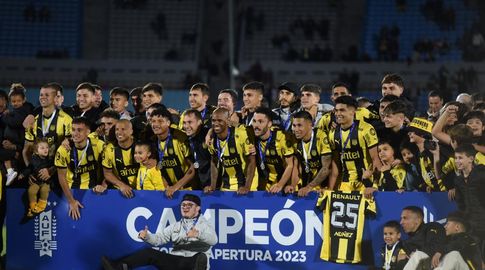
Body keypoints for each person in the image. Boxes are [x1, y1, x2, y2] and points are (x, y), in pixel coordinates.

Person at [101, 194, 217, 270]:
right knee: (148, 252)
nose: (185, 207)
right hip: (174, 263)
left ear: (198, 209)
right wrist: (147, 237)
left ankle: (195, 265)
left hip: (192, 263)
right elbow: (159, 239)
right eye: (183, 205)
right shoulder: (175, 226)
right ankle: (119, 267)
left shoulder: (204, 224)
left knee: (198, 257)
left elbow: (214, 240)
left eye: (190, 205)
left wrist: (198, 234)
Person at [328, 96, 382, 192]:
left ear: (352, 112)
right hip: (345, 184)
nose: (338, 114)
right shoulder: (332, 133)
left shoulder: (366, 129)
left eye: (342, 110)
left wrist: (375, 185)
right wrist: (331, 189)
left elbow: (375, 158)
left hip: (365, 183)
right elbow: (336, 164)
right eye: (336, 110)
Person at [55, 117, 105, 220]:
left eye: (79, 130)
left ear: (88, 132)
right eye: (73, 129)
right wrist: (71, 201)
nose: (75, 133)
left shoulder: (99, 145)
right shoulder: (63, 150)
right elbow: (61, 177)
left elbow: (110, 169)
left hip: (94, 191)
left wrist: (103, 184)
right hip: (71, 192)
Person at [204, 108, 258, 194]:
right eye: (213, 120)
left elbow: (252, 161)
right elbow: (214, 161)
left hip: (247, 183)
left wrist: (247, 187)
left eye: (220, 120)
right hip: (227, 184)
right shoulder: (211, 139)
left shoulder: (241, 134)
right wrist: (212, 186)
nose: (216, 124)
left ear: (228, 120)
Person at [23, 84, 72, 167]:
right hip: (37, 169)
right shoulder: (33, 121)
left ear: (55, 98)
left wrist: (51, 170)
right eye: (41, 95)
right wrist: (31, 171)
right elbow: (26, 151)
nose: (43, 97)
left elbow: (68, 149)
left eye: (47, 95)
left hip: (57, 169)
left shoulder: (66, 119)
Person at [150, 108, 195, 198]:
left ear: (168, 123)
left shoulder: (181, 138)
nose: (155, 124)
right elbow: (159, 169)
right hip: (168, 191)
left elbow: (193, 168)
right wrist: (167, 187)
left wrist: (175, 187)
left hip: (189, 189)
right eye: (153, 121)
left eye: (160, 121)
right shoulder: (152, 141)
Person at [452, 144, 485, 262]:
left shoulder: (481, 174)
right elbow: (461, 204)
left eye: (460, 158)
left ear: (471, 159)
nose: (457, 161)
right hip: (472, 227)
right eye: (456, 158)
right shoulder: (458, 180)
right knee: (475, 259)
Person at [287, 111, 332, 196]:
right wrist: (292, 185)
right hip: (305, 188)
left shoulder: (321, 136)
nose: (296, 129)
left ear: (310, 124)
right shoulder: (295, 140)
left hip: (322, 188)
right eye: (294, 125)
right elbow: (297, 167)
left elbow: (327, 168)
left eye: (299, 125)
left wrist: (309, 187)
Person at [252, 107, 294, 193]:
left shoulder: (282, 138)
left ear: (269, 124)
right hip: (265, 184)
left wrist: (280, 184)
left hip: (283, 184)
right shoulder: (251, 135)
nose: (256, 125)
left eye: (260, 122)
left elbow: (290, 165)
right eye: (254, 121)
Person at [2, 84, 33, 185]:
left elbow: (15, 122)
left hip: (19, 145)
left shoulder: (24, 110)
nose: (15, 104)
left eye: (18, 101)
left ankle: (10, 171)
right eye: (13, 101)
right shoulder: (16, 111)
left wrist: (5, 116)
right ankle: (10, 171)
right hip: (12, 143)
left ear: (24, 100)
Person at [101, 120, 139, 198]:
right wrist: (122, 185)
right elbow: (107, 173)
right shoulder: (109, 149)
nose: (119, 132)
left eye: (123, 129)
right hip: (120, 191)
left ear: (131, 131)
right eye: (117, 129)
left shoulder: (140, 146)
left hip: (141, 191)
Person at [408, 117, 446, 192]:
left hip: (444, 190)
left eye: (412, 132)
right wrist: (427, 185)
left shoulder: (433, 149)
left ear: (421, 133)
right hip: (434, 191)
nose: (409, 134)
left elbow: (443, 170)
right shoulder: (418, 154)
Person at [182, 109, 211, 190]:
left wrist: (212, 185)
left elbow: (214, 162)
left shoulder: (208, 136)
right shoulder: (189, 139)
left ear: (199, 122)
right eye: (184, 123)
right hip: (200, 185)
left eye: (190, 122)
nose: (186, 126)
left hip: (213, 187)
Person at [25, 139, 54, 217]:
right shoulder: (33, 160)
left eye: (47, 147)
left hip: (46, 182)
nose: (45, 149)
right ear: (36, 151)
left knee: (44, 190)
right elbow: (29, 168)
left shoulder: (51, 160)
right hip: (36, 181)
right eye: (42, 148)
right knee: (31, 191)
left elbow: (55, 169)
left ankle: (41, 207)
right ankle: (33, 208)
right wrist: (23, 174)